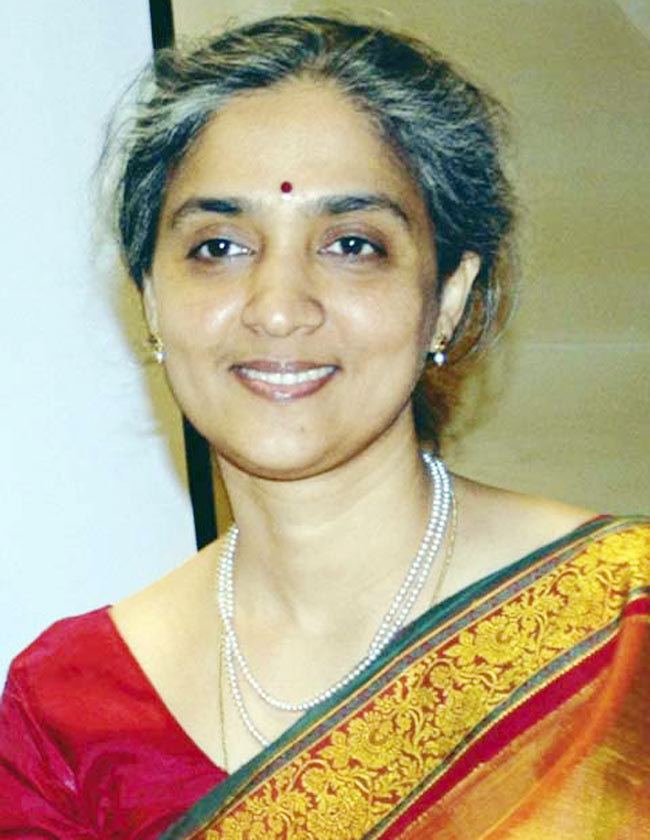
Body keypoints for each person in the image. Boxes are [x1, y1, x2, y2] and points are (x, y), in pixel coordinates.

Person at [0, 14, 648, 839]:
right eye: (219, 246)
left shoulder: (621, 625)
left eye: (350, 243)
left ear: (445, 298)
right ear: (154, 299)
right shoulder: (69, 706)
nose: (277, 308)